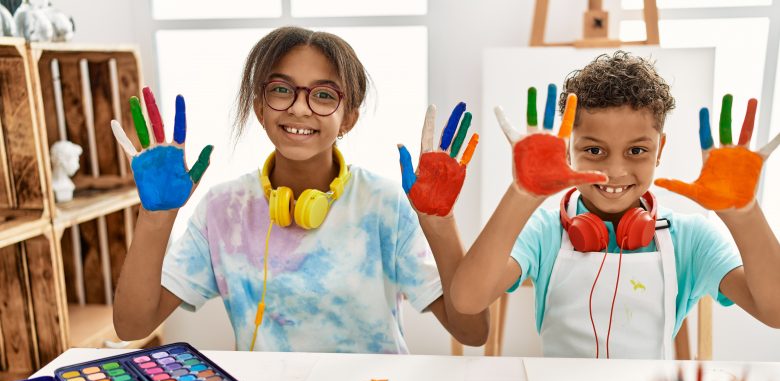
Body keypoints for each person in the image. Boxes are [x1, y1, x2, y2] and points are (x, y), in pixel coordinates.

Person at [111, 26, 488, 353]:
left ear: (349, 118)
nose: (300, 109)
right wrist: (156, 218)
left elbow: (473, 332)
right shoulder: (223, 209)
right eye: (281, 90)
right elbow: (132, 326)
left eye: (324, 95)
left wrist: (440, 222)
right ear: (260, 107)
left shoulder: (384, 204)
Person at [451, 51, 780, 359]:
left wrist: (744, 214)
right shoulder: (543, 231)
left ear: (660, 149)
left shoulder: (691, 239)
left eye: (637, 151)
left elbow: (775, 311)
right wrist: (522, 194)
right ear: (567, 149)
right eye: (594, 151)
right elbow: (467, 299)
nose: (614, 172)